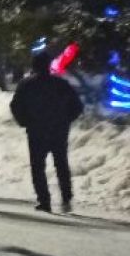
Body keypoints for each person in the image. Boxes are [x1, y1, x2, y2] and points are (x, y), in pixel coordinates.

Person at [10, 52, 85, 212]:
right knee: (61, 164)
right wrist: (66, 120)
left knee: (38, 167)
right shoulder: (61, 84)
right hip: (59, 130)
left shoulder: (26, 85)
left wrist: (25, 122)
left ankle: (44, 201)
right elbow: (77, 106)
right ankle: (66, 199)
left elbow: (15, 106)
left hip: (36, 130)